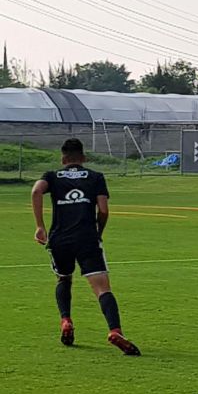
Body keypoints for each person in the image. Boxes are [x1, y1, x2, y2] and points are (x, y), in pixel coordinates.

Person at [31, 138, 141, 355]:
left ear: (63, 159)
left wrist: (40, 226)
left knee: (64, 278)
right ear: (83, 157)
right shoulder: (95, 177)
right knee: (102, 289)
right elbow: (104, 210)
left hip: (60, 239)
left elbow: (36, 191)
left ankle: (66, 320)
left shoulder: (52, 176)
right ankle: (115, 331)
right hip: (87, 238)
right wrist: (98, 232)